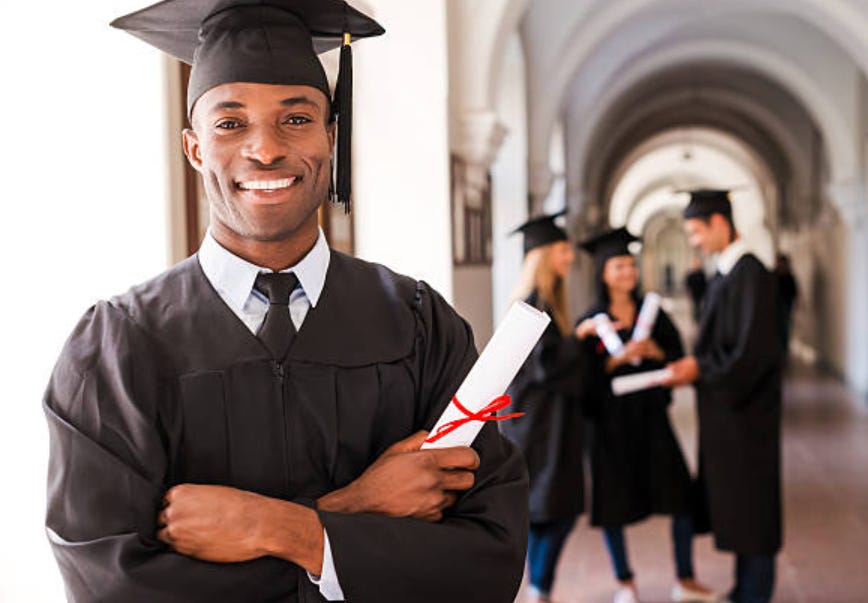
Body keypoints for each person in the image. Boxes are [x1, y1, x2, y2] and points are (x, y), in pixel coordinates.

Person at [43, 2, 529, 602]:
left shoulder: (422, 327)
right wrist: (353, 512)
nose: (265, 149)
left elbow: (489, 563)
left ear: (331, 136)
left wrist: (278, 529)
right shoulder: (116, 349)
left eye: (296, 119)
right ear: (195, 149)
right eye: (230, 123)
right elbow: (109, 588)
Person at [574, 228, 717, 603]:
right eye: (619, 266)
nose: (628, 273)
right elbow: (581, 379)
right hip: (609, 423)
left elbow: (676, 356)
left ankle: (685, 579)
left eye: (631, 265)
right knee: (613, 505)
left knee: (680, 497)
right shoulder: (591, 321)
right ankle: (625, 582)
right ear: (604, 272)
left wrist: (655, 351)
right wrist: (614, 360)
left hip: (651, 417)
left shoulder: (652, 313)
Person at [664, 190, 783, 603]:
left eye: (697, 230)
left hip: (748, 418)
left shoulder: (750, 275)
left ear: (720, 223)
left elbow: (752, 353)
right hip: (729, 417)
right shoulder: (728, 274)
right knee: (739, 507)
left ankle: (755, 593)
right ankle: (744, 588)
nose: (694, 240)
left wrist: (700, 369)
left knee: (753, 511)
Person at [500, 212, 586, 603]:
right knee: (552, 510)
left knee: (550, 510)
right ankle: (539, 589)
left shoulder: (549, 303)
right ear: (545, 255)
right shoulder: (532, 305)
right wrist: (579, 341)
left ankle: (539, 586)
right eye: (564, 250)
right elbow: (546, 367)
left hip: (551, 423)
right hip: (539, 427)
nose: (570, 257)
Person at [774, 253, 798, 356]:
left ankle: (783, 350)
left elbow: (794, 293)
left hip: (786, 306)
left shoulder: (789, 277)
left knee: (785, 328)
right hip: (776, 307)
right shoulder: (775, 276)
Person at [685, 257, 708, 323]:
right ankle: (696, 318)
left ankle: (700, 318)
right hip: (694, 293)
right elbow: (688, 284)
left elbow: (705, 283)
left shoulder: (702, 274)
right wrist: (689, 292)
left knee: (701, 307)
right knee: (695, 307)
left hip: (701, 293)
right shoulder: (691, 274)